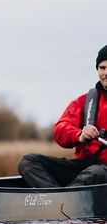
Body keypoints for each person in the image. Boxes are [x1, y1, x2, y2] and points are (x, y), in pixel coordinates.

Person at [18, 45, 107, 188]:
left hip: (101, 173)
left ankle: (62, 205)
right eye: (102, 68)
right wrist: (80, 135)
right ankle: (58, 203)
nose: (105, 73)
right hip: (81, 167)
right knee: (28, 161)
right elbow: (61, 128)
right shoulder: (83, 102)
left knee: (93, 173)